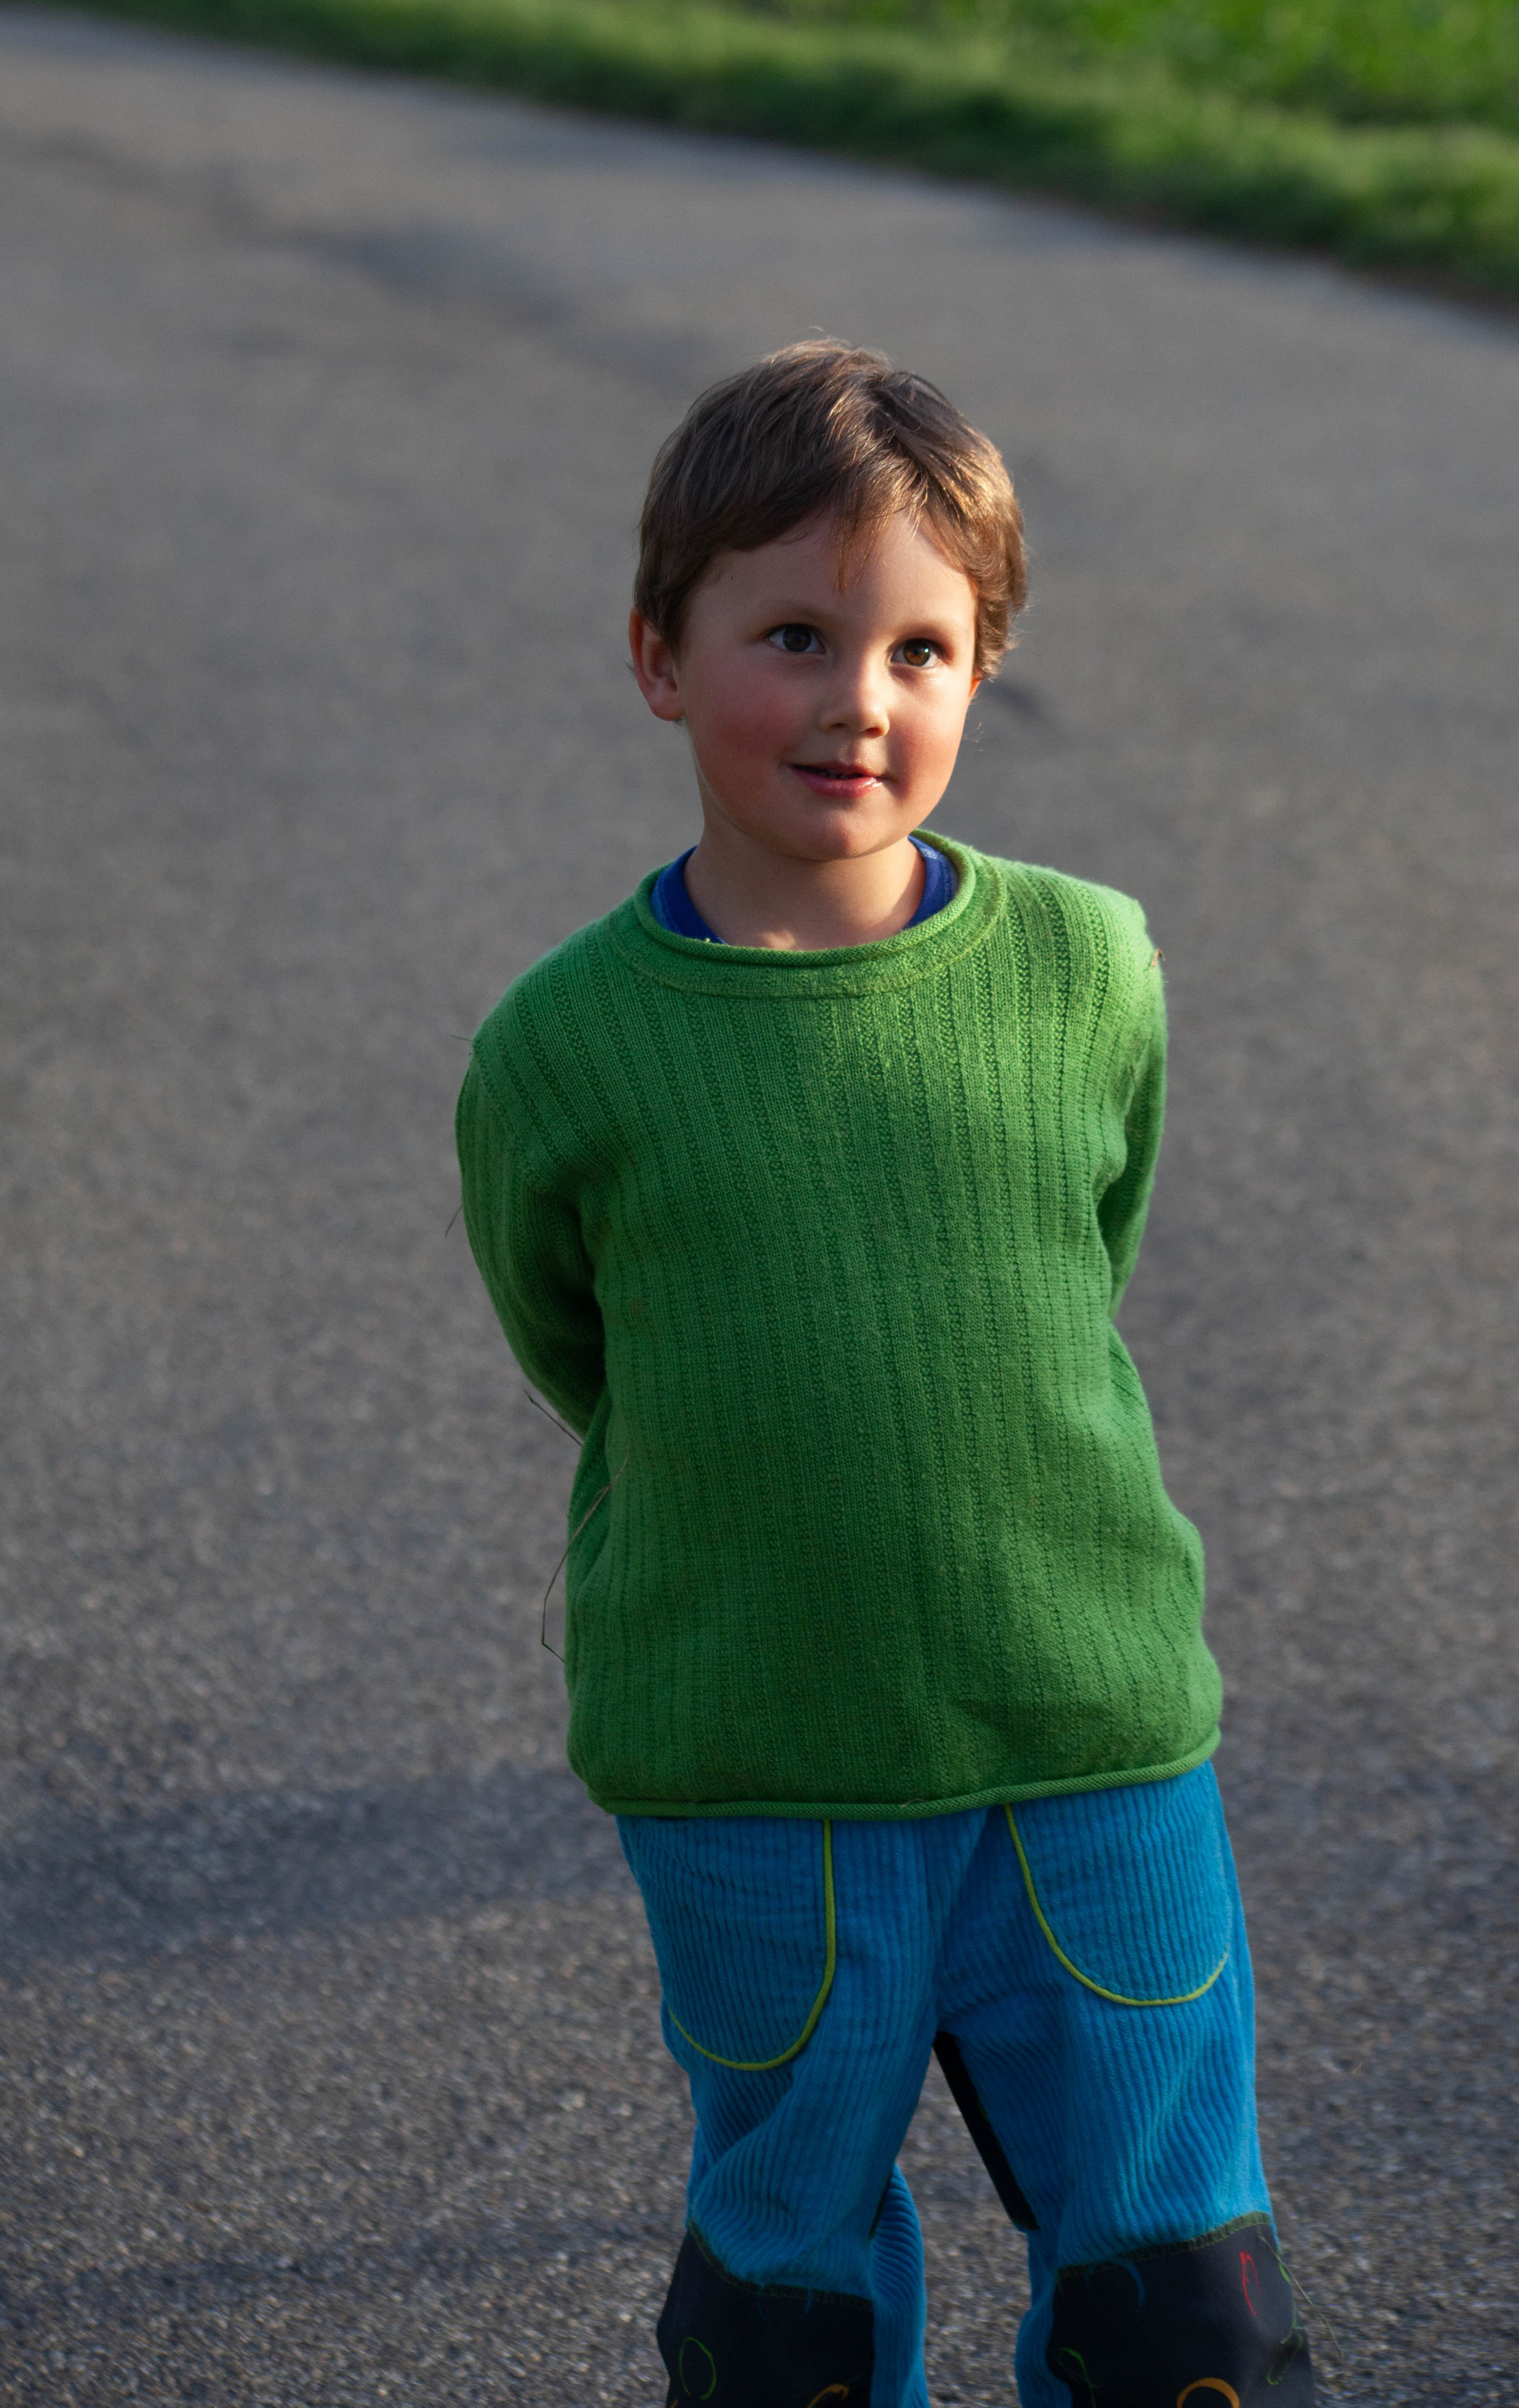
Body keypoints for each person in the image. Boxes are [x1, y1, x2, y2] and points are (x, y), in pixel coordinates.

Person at [455, 340, 1316, 2408]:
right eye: (794, 635)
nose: (861, 698)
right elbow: (583, 1342)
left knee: (1179, 2287)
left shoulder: (1088, 964)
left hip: (1089, 1741)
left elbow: (1070, 1261)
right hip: (762, 1769)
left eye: (924, 649)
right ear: (661, 657)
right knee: (791, 2296)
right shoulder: (567, 1047)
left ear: (982, 673)